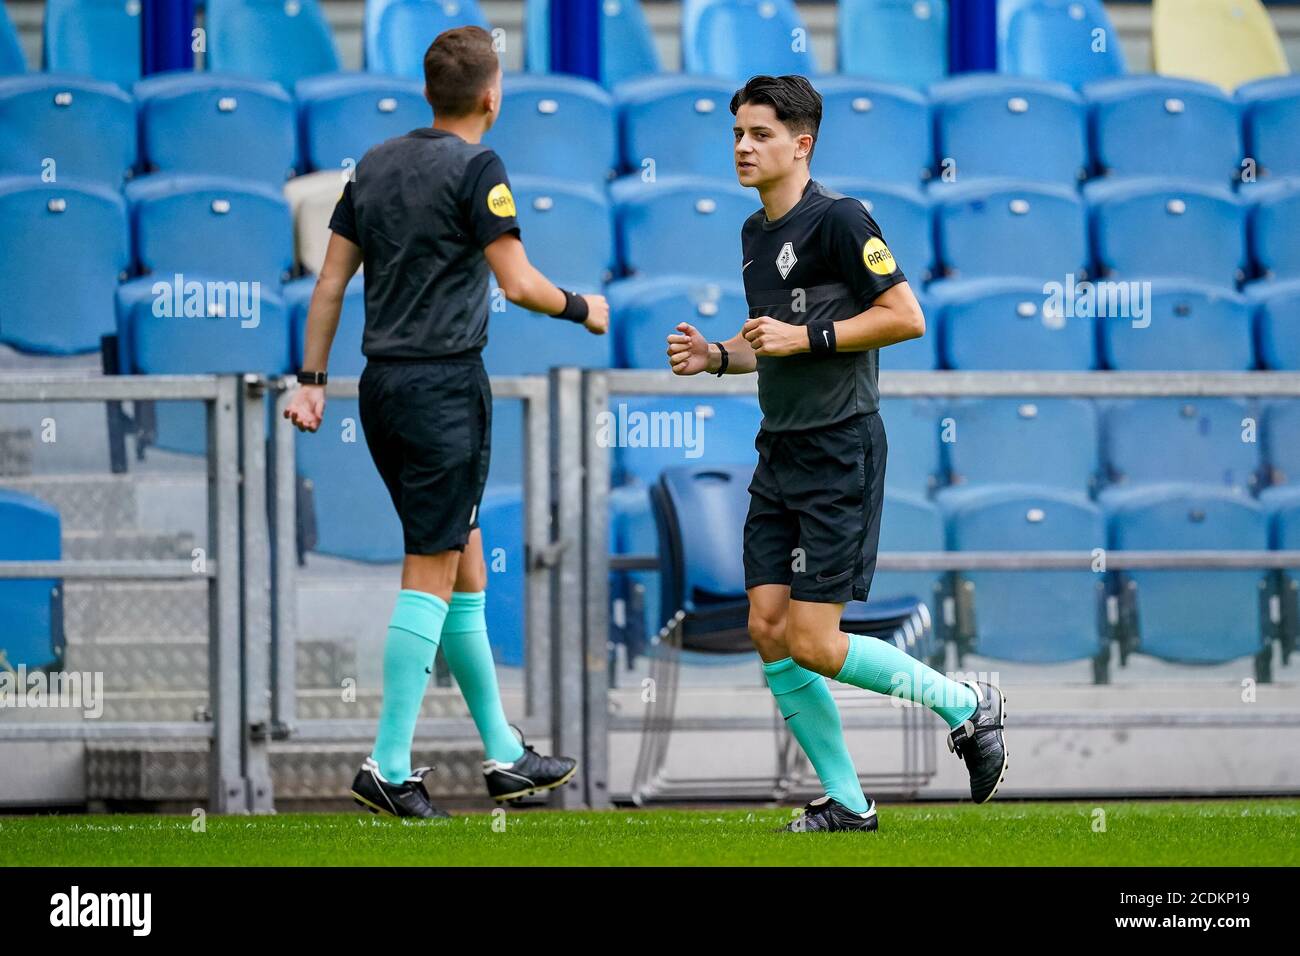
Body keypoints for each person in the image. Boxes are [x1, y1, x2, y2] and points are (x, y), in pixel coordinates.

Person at [666, 75, 1008, 832]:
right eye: (736, 134)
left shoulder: (842, 220)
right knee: (766, 626)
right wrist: (717, 357)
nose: (743, 147)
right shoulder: (756, 234)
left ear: (802, 143)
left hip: (840, 449)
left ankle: (966, 703)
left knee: (813, 643)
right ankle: (848, 804)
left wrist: (805, 337)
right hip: (779, 450)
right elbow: (774, 344)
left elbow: (905, 317)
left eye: (759, 134)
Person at [285, 26, 608, 818]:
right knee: (431, 567)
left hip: (382, 389)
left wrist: (314, 380)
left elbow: (329, 284)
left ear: (428, 94)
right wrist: (585, 308)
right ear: (492, 97)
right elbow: (521, 283)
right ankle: (388, 765)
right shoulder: (479, 168)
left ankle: (502, 754)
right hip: (442, 390)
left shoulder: (375, 164)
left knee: (465, 562)